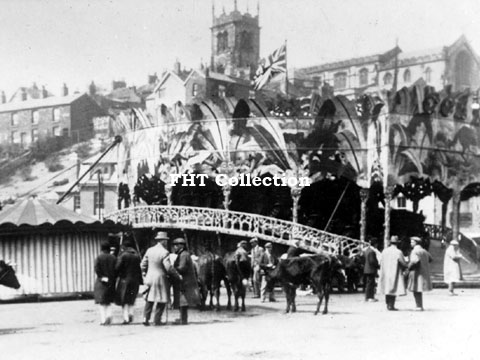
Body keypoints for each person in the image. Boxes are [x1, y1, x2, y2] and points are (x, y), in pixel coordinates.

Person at [141, 231, 181, 326]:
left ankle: (145, 318)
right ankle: (157, 320)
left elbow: (143, 264)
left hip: (149, 278)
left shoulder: (149, 250)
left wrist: (145, 274)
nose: (166, 242)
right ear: (163, 241)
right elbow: (168, 267)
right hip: (160, 278)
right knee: (161, 299)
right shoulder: (164, 252)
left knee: (149, 299)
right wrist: (176, 275)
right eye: (166, 241)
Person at [115, 236, 143, 324]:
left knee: (124, 300)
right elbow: (139, 269)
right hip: (135, 281)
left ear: (124, 247)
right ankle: (131, 314)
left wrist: (116, 275)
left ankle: (126, 318)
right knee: (132, 299)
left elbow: (117, 268)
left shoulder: (123, 255)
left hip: (124, 280)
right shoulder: (137, 256)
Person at [172, 237, 200, 325]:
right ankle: (182, 318)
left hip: (184, 281)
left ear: (181, 246)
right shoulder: (184, 254)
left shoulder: (183, 255)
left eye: (176, 245)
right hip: (186, 280)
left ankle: (183, 320)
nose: (174, 247)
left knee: (183, 300)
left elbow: (182, 267)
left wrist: (173, 270)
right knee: (183, 300)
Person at [378, 235, 408, 311]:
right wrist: (405, 266)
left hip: (385, 271)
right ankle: (391, 305)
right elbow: (402, 262)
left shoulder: (384, 251)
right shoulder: (398, 252)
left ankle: (388, 303)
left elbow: (380, 261)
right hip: (394, 272)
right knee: (394, 288)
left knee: (387, 287)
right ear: (397, 243)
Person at [94, 241, 116, 325]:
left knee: (101, 302)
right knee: (108, 301)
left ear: (101, 249)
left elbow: (96, 268)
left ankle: (103, 320)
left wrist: (102, 277)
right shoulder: (113, 258)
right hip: (111, 281)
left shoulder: (99, 257)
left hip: (101, 282)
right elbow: (116, 268)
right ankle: (109, 315)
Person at [407, 236, 433, 311]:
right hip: (423, 272)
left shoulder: (414, 251)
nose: (410, 243)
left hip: (416, 273)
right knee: (419, 289)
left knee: (416, 289)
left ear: (415, 243)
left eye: (412, 242)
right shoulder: (424, 251)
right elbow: (430, 259)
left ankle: (418, 306)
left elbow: (415, 261)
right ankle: (419, 305)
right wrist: (424, 263)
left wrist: (408, 267)